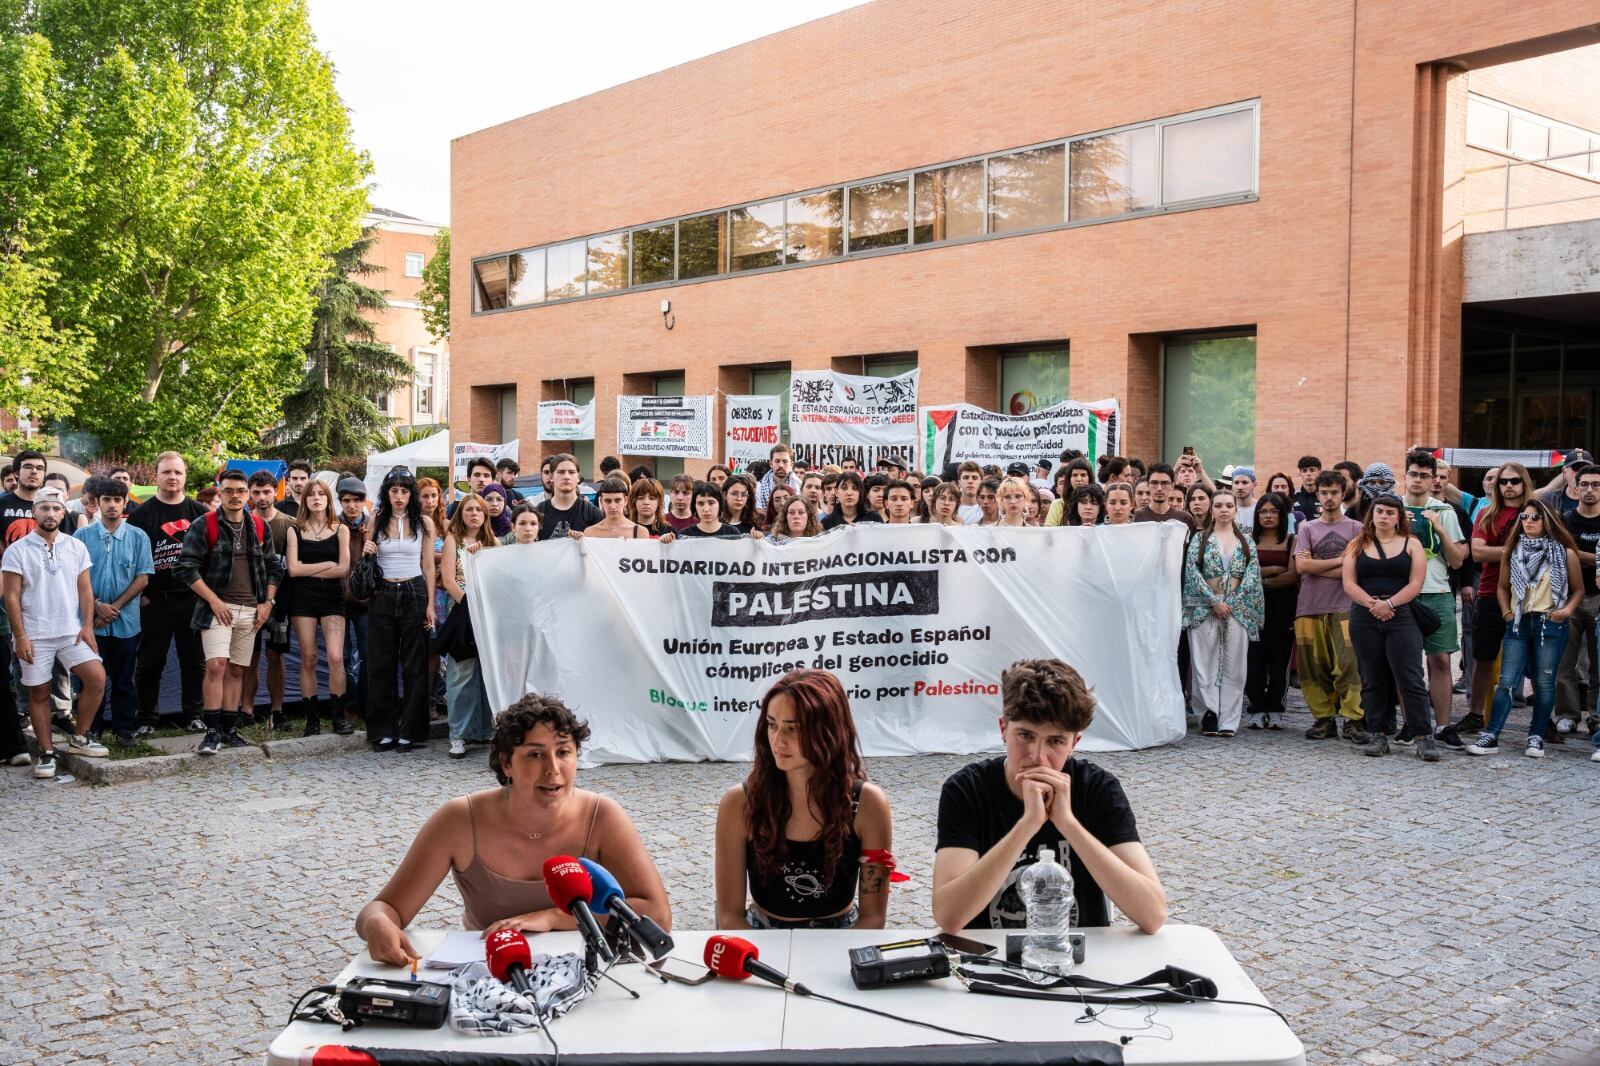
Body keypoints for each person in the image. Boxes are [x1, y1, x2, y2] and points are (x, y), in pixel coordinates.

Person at [355, 693, 672, 962]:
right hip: (492, 971)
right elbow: (384, 908)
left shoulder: (603, 816)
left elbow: (657, 915)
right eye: (535, 755)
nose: (552, 769)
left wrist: (552, 918)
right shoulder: (459, 820)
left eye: (563, 752)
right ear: (506, 764)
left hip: (593, 970)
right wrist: (376, 926)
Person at [931, 658, 1165, 934]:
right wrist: (1027, 825)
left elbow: (1153, 915)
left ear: (1075, 742)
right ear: (1003, 729)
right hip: (988, 957)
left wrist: (1068, 823)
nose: (1037, 756)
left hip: (1078, 958)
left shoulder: (1097, 788)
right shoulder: (966, 789)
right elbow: (949, 916)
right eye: (1025, 735)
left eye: (1055, 741)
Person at [715, 670, 895, 929]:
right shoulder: (739, 803)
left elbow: (873, 919)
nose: (777, 740)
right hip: (761, 932)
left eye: (793, 729)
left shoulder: (868, 803)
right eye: (772, 724)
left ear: (828, 732)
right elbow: (730, 917)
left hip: (843, 933)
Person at [172, 469, 285, 755]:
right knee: (215, 665)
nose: (235, 496)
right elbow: (184, 567)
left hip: (251, 608)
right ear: (219, 493)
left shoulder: (259, 527)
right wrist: (213, 601)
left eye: (240, 491)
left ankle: (229, 729)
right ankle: (211, 732)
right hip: (217, 608)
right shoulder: (204, 524)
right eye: (228, 491)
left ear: (247, 495)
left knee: (237, 669)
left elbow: (273, 567)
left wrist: (267, 602)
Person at [2, 486, 111, 775]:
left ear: (64, 512)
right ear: (34, 511)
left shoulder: (76, 546)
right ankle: (47, 753)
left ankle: (79, 736)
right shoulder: (17, 550)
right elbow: (11, 596)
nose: (50, 513)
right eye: (44, 508)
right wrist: (21, 636)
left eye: (56, 508)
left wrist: (87, 626)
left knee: (97, 678)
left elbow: (85, 591)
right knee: (39, 693)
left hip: (70, 630)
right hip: (35, 633)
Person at [1466, 499, 1582, 759]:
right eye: (1524, 518)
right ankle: (1491, 734)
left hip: (1550, 623)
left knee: (1544, 683)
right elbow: (1502, 587)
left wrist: (1565, 612)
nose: (1528, 522)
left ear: (1548, 521)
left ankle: (1536, 735)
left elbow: (1578, 589)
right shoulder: (1513, 549)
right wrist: (1507, 612)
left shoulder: (1565, 553)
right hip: (1519, 621)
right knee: (1506, 681)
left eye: (1535, 518)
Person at [1341, 494, 1436, 759]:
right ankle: (1377, 734)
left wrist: (1390, 604)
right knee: (1371, 677)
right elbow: (1349, 583)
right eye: (1379, 511)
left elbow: (1416, 584)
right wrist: (1372, 604)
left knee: (1410, 677)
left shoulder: (1411, 544)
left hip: (1402, 614)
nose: (1383, 516)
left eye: (1390, 512)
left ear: (1399, 517)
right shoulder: (1357, 544)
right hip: (1364, 614)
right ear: (1371, 514)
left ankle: (1423, 736)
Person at [74, 477, 153, 747]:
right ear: (98, 503)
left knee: (123, 679)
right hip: (90, 621)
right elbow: (74, 576)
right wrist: (97, 605)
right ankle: (91, 729)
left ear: (125, 503)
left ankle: (124, 729)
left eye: (117, 500)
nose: (111, 505)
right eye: (106, 500)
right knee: (91, 679)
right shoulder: (82, 536)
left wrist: (114, 607)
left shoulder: (138, 536)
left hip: (125, 621)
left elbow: (143, 577)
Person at [362, 468, 438, 752]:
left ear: (411, 494)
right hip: (382, 591)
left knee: (414, 663)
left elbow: (429, 565)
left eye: (404, 491)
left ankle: (412, 730)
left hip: (414, 590)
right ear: (387, 493)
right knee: (381, 663)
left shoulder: (424, 522)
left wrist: (430, 604)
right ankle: (384, 729)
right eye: (394, 491)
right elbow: (366, 561)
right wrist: (367, 550)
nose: (399, 496)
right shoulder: (376, 520)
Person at [1399, 452, 1468, 748]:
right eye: (1413, 474)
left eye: (1424, 475)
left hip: (1437, 591)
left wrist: (1438, 527)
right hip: (1401, 594)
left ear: (1433, 479)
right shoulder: (1390, 508)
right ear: (1405, 475)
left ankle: (1442, 725)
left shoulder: (1445, 511)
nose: (1418, 480)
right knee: (1406, 663)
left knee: (1440, 660)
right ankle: (1411, 724)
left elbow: (1457, 561)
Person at [1182, 490, 1263, 737]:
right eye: (1219, 505)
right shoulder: (1200, 539)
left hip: (1236, 611)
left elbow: (1252, 575)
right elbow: (1192, 573)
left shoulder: (1247, 541)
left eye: (1229, 505)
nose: (1224, 509)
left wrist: (1233, 603)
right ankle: (1208, 713)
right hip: (1205, 609)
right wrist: (1213, 601)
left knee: (1235, 665)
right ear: (1212, 509)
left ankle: (1229, 718)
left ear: (1236, 509)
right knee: (1203, 663)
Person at [1464, 462, 1530, 734]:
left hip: (1530, 598)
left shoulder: (1537, 514)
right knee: (1483, 659)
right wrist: (1519, 550)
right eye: (1504, 482)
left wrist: (1498, 550)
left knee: (1535, 662)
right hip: (1490, 594)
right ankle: (1475, 714)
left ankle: (1543, 722)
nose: (1509, 486)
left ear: (1524, 483)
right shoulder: (1487, 515)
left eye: (1515, 481)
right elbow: (1478, 553)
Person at [286, 480, 351, 737]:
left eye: (321, 494)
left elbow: (343, 568)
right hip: (302, 598)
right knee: (309, 657)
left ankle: (339, 716)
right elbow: (293, 570)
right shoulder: (295, 530)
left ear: (328, 498)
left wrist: (309, 567)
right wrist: (326, 563)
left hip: (332, 596)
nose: (315, 498)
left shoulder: (340, 529)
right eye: (311, 494)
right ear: (305, 500)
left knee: (336, 657)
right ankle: (312, 720)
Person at [441, 494, 498, 759]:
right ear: (461, 514)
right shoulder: (453, 539)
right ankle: (458, 734)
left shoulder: (492, 542)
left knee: (487, 673)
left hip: (488, 612)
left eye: (479, 510)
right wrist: (470, 604)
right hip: (463, 610)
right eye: (469, 509)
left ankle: (484, 729)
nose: (474, 514)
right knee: (462, 673)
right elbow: (448, 579)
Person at [243, 471, 295, 730]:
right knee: (248, 659)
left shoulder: (290, 524)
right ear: (249, 493)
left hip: (280, 603)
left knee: (276, 657)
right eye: (256, 492)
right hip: (247, 601)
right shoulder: (242, 522)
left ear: (276, 491)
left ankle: (278, 710)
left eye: (266, 492)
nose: (261, 497)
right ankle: (246, 711)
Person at [1556, 466, 1600, 738]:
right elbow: (1561, 551)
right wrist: (1595, 558)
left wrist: (1578, 554)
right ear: (1575, 488)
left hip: (1598, 598)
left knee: (1598, 663)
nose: (1590, 490)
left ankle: (1596, 716)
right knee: (1565, 661)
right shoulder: (1566, 519)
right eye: (1584, 485)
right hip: (1569, 594)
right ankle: (1567, 715)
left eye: (1596, 485)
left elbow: (1571, 552)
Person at [1245, 492, 1296, 731]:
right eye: (1263, 511)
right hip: (1253, 606)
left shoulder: (1291, 540)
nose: (1267, 516)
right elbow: (1244, 575)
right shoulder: (1247, 541)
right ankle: (1256, 707)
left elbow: (1293, 575)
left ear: (1282, 514)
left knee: (1280, 659)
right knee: (1254, 658)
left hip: (1283, 606)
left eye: (1273, 511)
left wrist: (1261, 576)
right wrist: (1275, 568)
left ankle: (1276, 707)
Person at [336, 476, 371, 728]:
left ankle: (367, 705)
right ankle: (348, 705)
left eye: (356, 501)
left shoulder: (373, 525)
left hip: (367, 599)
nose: (351, 506)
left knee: (370, 653)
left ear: (363, 501)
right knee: (342, 656)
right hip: (337, 600)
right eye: (346, 501)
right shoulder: (333, 525)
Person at [536, 454, 603, 540]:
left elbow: (597, 549)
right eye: (561, 472)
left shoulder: (593, 513)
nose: (566, 477)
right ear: (551, 477)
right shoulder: (539, 511)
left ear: (578, 477)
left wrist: (585, 540)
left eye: (571, 472)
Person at [575, 478, 651, 540]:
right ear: (601, 501)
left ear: (626, 501)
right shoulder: (590, 533)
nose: (613, 506)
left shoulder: (640, 532)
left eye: (617, 500)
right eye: (608, 501)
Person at [1132, 463, 1195, 528]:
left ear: (1172, 486)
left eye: (1164, 483)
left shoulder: (1185, 518)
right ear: (1148, 485)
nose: (1159, 488)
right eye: (1154, 483)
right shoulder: (1136, 517)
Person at [678, 481, 744, 539]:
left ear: (720, 504)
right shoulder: (685, 535)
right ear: (694, 506)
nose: (706, 509)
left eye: (711, 503)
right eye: (700, 504)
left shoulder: (733, 533)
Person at [755, 444, 802, 510]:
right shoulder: (759, 488)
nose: (781, 465)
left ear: (791, 464)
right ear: (771, 464)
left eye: (785, 461)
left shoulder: (799, 487)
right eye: (777, 461)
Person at [1292, 456, 1322, 525]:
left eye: (1312, 470)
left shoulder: (1325, 496)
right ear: (1300, 473)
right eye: (1304, 471)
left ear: (1319, 472)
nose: (1308, 474)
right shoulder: (1293, 496)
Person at [1229, 467, 1258, 532]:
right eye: (1236, 483)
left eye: (1245, 482)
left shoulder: (1260, 507)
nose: (1240, 487)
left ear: (1254, 484)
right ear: (1232, 485)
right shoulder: (1227, 509)